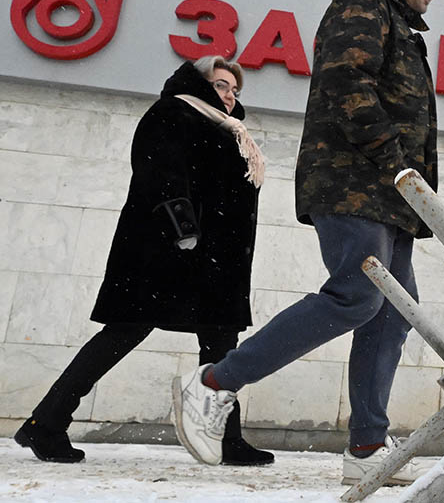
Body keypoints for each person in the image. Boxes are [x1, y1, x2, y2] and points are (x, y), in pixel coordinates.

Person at [173, 0, 444, 485]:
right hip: (354, 180)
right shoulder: (365, 0)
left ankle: (367, 446)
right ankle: (214, 383)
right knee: (356, 296)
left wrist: (410, 184)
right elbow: (348, 82)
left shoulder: (398, 21)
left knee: (395, 311)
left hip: (387, 191)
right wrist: (395, 162)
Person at [15, 56, 271, 466]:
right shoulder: (173, 112)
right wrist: (183, 228)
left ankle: (226, 437)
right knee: (125, 331)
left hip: (215, 261)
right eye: (221, 85)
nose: (229, 95)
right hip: (166, 251)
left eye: (235, 90)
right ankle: (46, 423)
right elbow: (160, 172)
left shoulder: (227, 130)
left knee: (221, 344)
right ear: (199, 83)